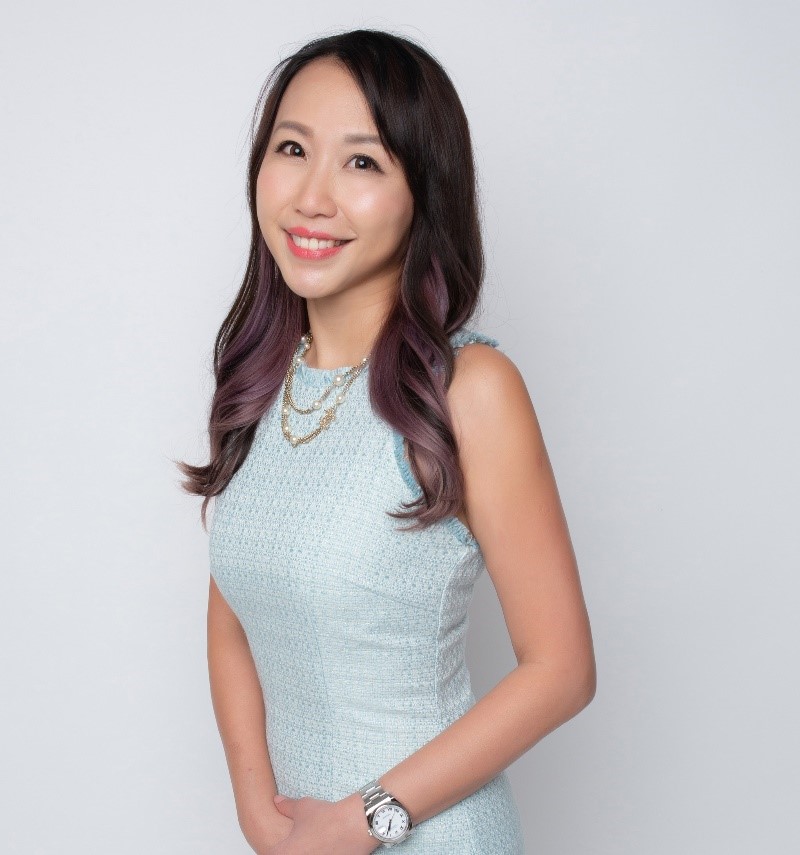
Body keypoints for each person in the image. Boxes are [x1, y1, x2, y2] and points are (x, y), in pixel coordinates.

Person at [178, 28, 596, 854]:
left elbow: (561, 669)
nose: (313, 196)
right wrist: (259, 811)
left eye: (362, 162)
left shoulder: (467, 388)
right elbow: (233, 611)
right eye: (293, 149)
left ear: (423, 194)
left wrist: (364, 819)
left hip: (430, 836)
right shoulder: (261, 382)